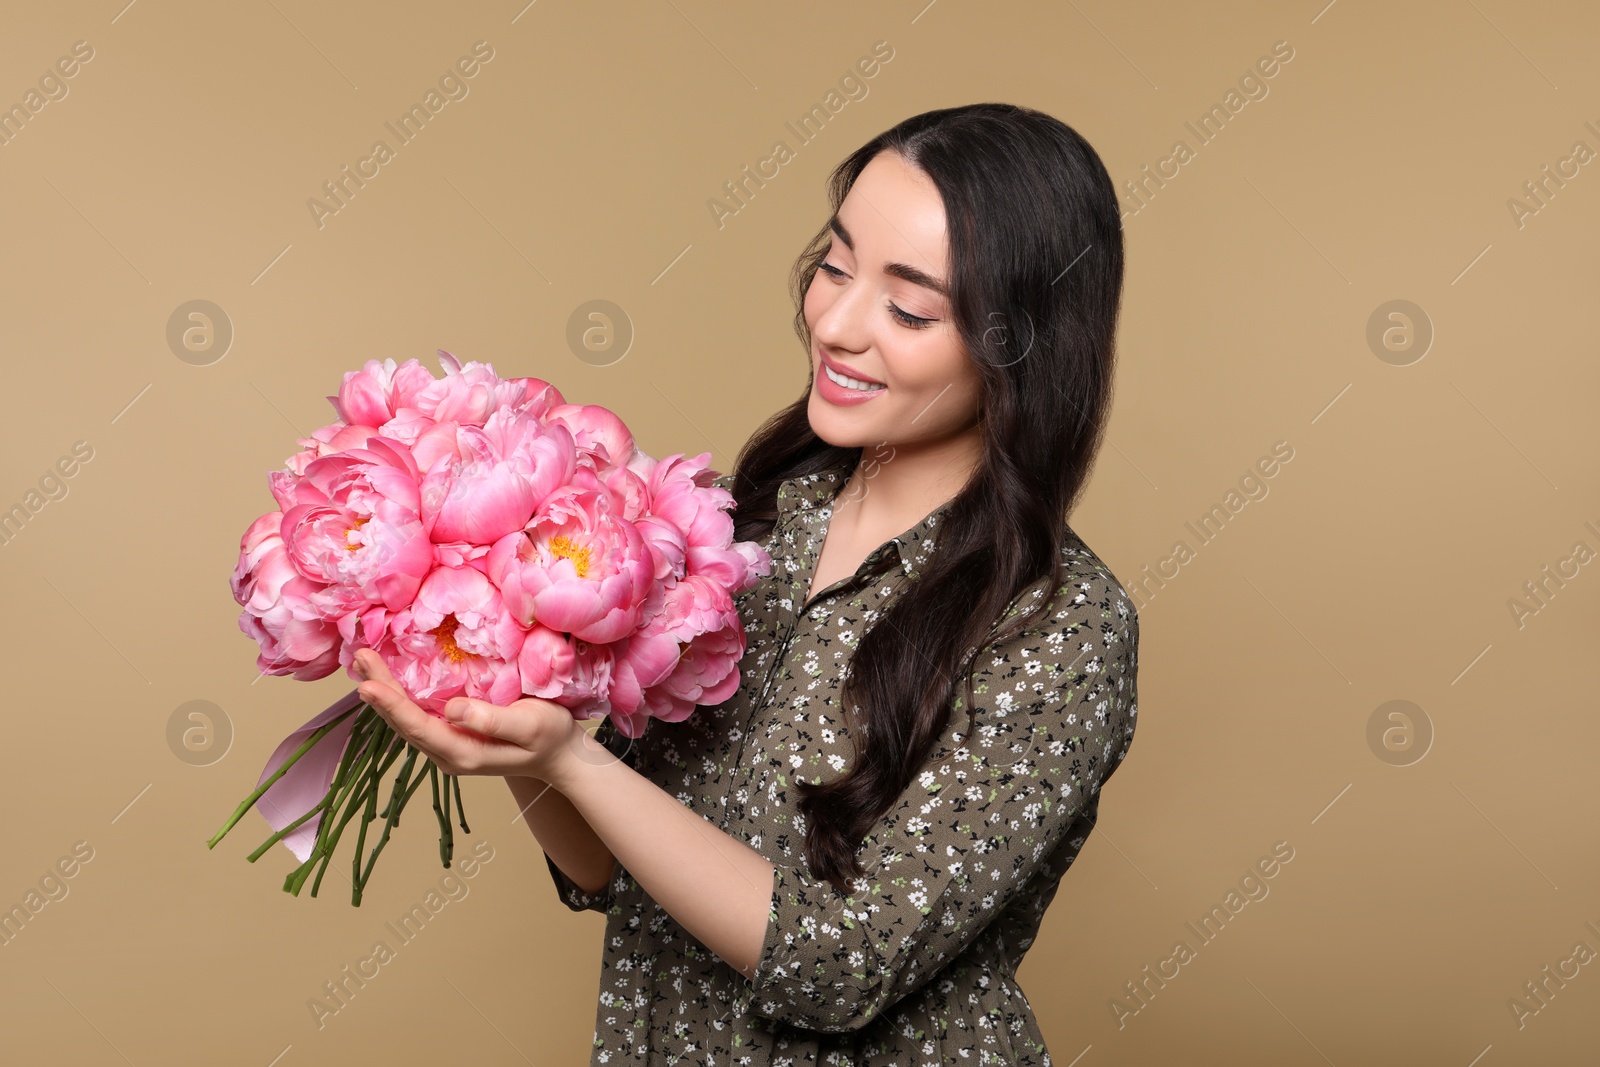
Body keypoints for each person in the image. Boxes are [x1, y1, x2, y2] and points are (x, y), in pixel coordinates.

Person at [355, 102, 1140, 1066]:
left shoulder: (1063, 626)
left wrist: (571, 760)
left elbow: (842, 961)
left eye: (909, 307)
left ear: (1020, 343)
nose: (838, 324)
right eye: (837, 265)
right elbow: (607, 867)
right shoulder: (746, 523)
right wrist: (513, 732)